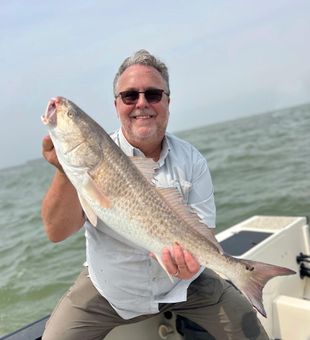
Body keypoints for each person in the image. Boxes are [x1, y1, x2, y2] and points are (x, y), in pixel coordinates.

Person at [41, 49, 268, 340]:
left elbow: (204, 234)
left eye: (153, 94)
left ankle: (243, 276)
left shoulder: (192, 160)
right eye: (129, 96)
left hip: (185, 284)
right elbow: (56, 232)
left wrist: (194, 264)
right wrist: (63, 170)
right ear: (116, 105)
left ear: (168, 102)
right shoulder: (92, 160)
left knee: (252, 333)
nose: (141, 103)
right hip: (111, 288)